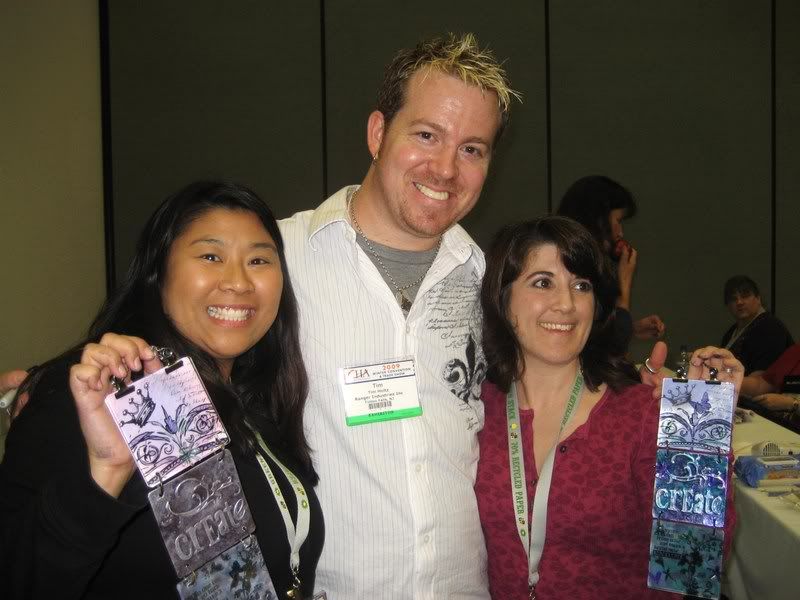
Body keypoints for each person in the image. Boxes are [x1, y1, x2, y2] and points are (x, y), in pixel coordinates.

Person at [0, 182, 324, 599]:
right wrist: (104, 474)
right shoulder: (104, 397)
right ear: (158, 272)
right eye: (211, 256)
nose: (238, 282)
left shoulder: (251, 396)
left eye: (259, 260)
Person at [476, 216, 741, 599]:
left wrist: (700, 429)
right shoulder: (476, 410)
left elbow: (692, 565)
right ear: (502, 298)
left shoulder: (640, 414)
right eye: (543, 282)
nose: (566, 304)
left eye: (581, 286)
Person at [557, 175, 665, 352]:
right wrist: (624, 286)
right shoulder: (574, 268)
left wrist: (632, 329)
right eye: (618, 221)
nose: (620, 233)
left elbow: (589, 335)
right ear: (599, 220)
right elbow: (612, 349)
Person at [720, 275, 793, 374]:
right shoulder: (731, 333)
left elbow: (762, 377)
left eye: (745, 296)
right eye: (733, 299)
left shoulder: (770, 327)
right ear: (728, 305)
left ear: (758, 298)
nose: (739, 302)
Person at [740, 344, 800, 431]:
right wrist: (730, 380)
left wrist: (792, 404)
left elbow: (788, 403)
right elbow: (763, 384)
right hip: (777, 425)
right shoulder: (796, 351)